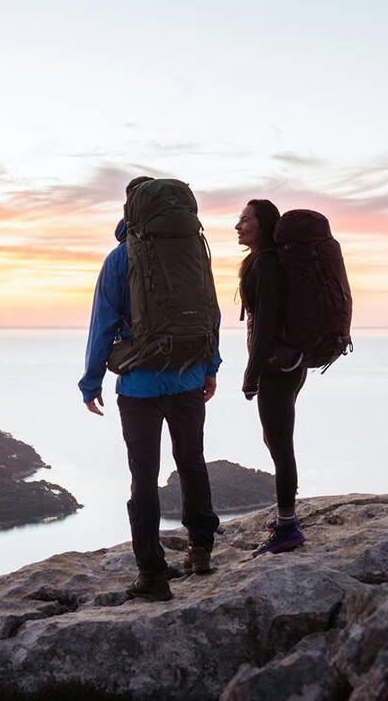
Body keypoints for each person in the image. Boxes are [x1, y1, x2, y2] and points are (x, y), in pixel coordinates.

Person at [80, 177, 220, 602]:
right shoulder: (193, 251)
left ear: (131, 209)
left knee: (144, 476)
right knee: (192, 460)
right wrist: (210, 366)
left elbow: (103, 323)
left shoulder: (120, 258)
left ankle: (152, 574)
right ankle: (201, 549)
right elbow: (210, 310)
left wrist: (91, 381)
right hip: (189, 377)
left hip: (139, 386)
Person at [235, 198, 306, 555]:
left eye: (245, 220)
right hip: (289, 364)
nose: (238, 225)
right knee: (276, 440)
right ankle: (285, 517)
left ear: (263, 225)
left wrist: (251, 373)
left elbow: (264, 324)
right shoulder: (266, 262)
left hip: (277, 367)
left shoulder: (265, 265)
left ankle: (289, 527)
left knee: (279, 445)